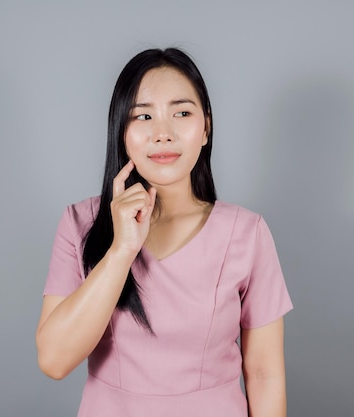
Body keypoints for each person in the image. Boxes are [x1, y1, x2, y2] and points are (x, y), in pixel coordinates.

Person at [36, 47, 293, 417]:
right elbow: (54, 360)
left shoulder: (246, 233)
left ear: (205, 127)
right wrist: (121, 251)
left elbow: (265, 374)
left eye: (182, 113)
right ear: (121, 132)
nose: (163, 133)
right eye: (143, 116)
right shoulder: (81, 223)